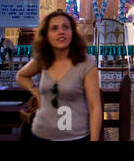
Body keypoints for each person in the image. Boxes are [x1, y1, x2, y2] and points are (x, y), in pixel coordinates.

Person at [16, 10, 102, 141]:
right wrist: (35, 92)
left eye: (65, 27)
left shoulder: (86, 63)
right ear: (47, 35)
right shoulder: (43, 59)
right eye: (54, 28)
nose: (61, 31)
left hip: (75, 136)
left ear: (72, 33)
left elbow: (95, 107)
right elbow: (21, 76)